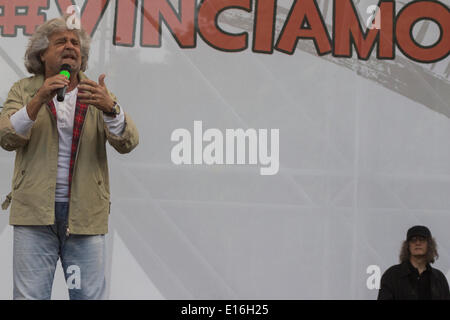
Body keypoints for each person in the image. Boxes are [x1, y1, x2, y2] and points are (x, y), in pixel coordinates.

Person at [0, 16, 139, 300]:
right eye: (61, 42)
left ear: (82, 55)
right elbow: (6, 136)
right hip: (34, 214)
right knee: (29, 296)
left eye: (75, 43)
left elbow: (129, 142)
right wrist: (38, 99)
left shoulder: (97, 92)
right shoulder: (24, 90)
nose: (70, 46)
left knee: (88, 296)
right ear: (42, 53)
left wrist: (112, 109)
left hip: (85, 214)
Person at [378, 225, 450, 300]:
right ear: (407, 246)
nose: (418, 243)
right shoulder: (391, 275)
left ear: (429, 245)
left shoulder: (439, 278)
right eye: (413, 240)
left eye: (422, 239)